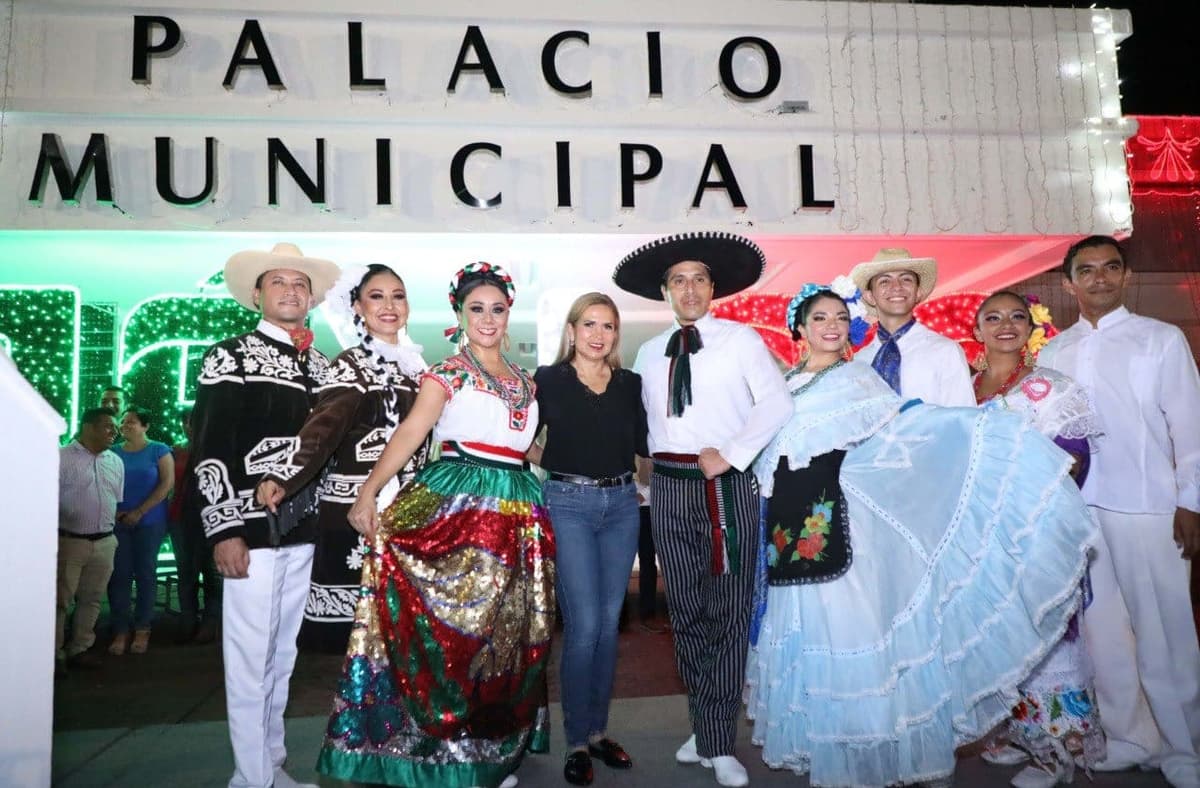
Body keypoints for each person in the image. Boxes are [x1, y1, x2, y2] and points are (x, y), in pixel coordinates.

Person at [744, 285, 1100, 788]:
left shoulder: (860, 378)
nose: (831, 325)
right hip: (794, 532)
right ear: (798, 329)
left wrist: (982, 429)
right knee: (810, 640)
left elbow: (902, 433)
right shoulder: (784, 385)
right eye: (819, 317)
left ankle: (879, 752)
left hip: (849, 534)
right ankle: (831, 747)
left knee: (857, 637)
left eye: (840, 318)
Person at [317, 262, 552, 788]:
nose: (487, 318)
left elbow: (528, 448)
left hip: (518, 512)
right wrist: (369, 490)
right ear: (459, 315)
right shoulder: (445, 374)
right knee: (456, 635)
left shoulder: (526, 383)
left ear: (508, 312)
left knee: (506, 636)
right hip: (459, 510)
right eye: (476, 309)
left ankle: (492, 749)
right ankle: (445, 753)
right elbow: (411, 432)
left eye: (496, 308)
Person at [614, 231, 792, 788]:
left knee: (729, 609)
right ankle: (707, 724)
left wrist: (734, 455)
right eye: (678, 280)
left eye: (698, 279)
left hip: (725, 484)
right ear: (665, 291)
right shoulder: (648, 351)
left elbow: (778, 404)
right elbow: (644, 426)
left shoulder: (740, 340)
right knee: (686, 610)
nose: (688, 289)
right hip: (668, 487)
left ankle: (718, 741)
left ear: (712, 288)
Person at [1039, 235, 1200, 788]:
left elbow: (1190, 425)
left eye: (1110, 268)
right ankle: (1129, 738)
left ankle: (1184, 748)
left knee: (1165, 628)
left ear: (1125, 276)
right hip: (1081, 511)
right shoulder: (1053, 352)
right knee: (1103, 631)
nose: (1100, 278)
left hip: (1149, 506)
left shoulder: (1160, 339)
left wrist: (1190, 500)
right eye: (1087, 271)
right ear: (1069, 283)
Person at [190, 242, 339, 788]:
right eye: (279, 282)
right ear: (257, 294)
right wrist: (225, 529)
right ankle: (251, 779)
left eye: (299, 283)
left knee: (280, 658)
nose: (291, 291)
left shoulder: (323, 365)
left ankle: (269, 768)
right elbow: (210, 446)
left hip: (306, 531)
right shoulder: (228, 355)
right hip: (250, 532)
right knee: (251, 661)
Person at [256, 263, 431, 654]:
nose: (389, 306)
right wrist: (282, 477)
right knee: (364, 646)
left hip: (409, 512)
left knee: (404, 645)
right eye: (376, 296)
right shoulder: (351, 364)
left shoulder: (416, 369)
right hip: (358, 513)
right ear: (357, 308)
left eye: (398, 296)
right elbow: (321, 430)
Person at [973, 290, 1106, 788]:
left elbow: (1074, 461)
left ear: (1032, 326)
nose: (1005, 325)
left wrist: (1018, 487)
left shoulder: (1052, 388)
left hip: (1038, 528)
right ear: (977, 329)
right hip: (984, 536)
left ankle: (1060, 747)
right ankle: (1015, 732)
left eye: (1016, 317)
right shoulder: (965, 388)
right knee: (999, 635)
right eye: (993, 317)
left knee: (1049, 634)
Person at [528, 291, 646, 786]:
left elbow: (644, 447)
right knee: (584, 627)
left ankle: (598, 732)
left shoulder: (629, 384)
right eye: (590, 324)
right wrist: (553, 472)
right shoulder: (546, 380)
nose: (599, 335)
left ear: (617, 334)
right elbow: (527, 444)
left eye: (609, 326)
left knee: (607, 626)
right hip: (569, 505)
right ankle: (576, 739)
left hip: (622, 507)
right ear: (572, 329)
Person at [850, 248, 975, 406]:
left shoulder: (945, 351)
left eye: (906, 279)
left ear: (918, 293)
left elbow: (964, 420)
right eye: (884, 281)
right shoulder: (860, 362)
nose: (896, 286)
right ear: (870, 296)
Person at [55, 407, 122, 677]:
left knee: (92, 599)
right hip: (70, 541)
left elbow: (115, 500)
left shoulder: (115, 461)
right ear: (88, 427)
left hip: (105, 541)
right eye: (108, 426)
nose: (114, 432)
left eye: (115, 427)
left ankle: (80, 647)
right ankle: (54, 653)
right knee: (60, 600)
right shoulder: (60, 458)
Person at [107, 406, 174, 655]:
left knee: (146, 573)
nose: (125, 425)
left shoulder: (159, 450)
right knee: (119, 576)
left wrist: (139, 511)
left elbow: (166, 484)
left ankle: (143, 627)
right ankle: (120, 630)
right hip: (118, 521)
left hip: (149, 521)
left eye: (132, 421)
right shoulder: (112, 453)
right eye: (123, 421)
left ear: (145, 426)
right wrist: (115, 512)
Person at [170, 407, 221, 644]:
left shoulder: (217, 449)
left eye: (193, 421)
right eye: (186, 422)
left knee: (212, 572)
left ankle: (211, 623)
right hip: (181, 518)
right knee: (186, 572)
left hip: (211, 518)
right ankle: (187, 622)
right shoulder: (176, 451)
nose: (189, 426)